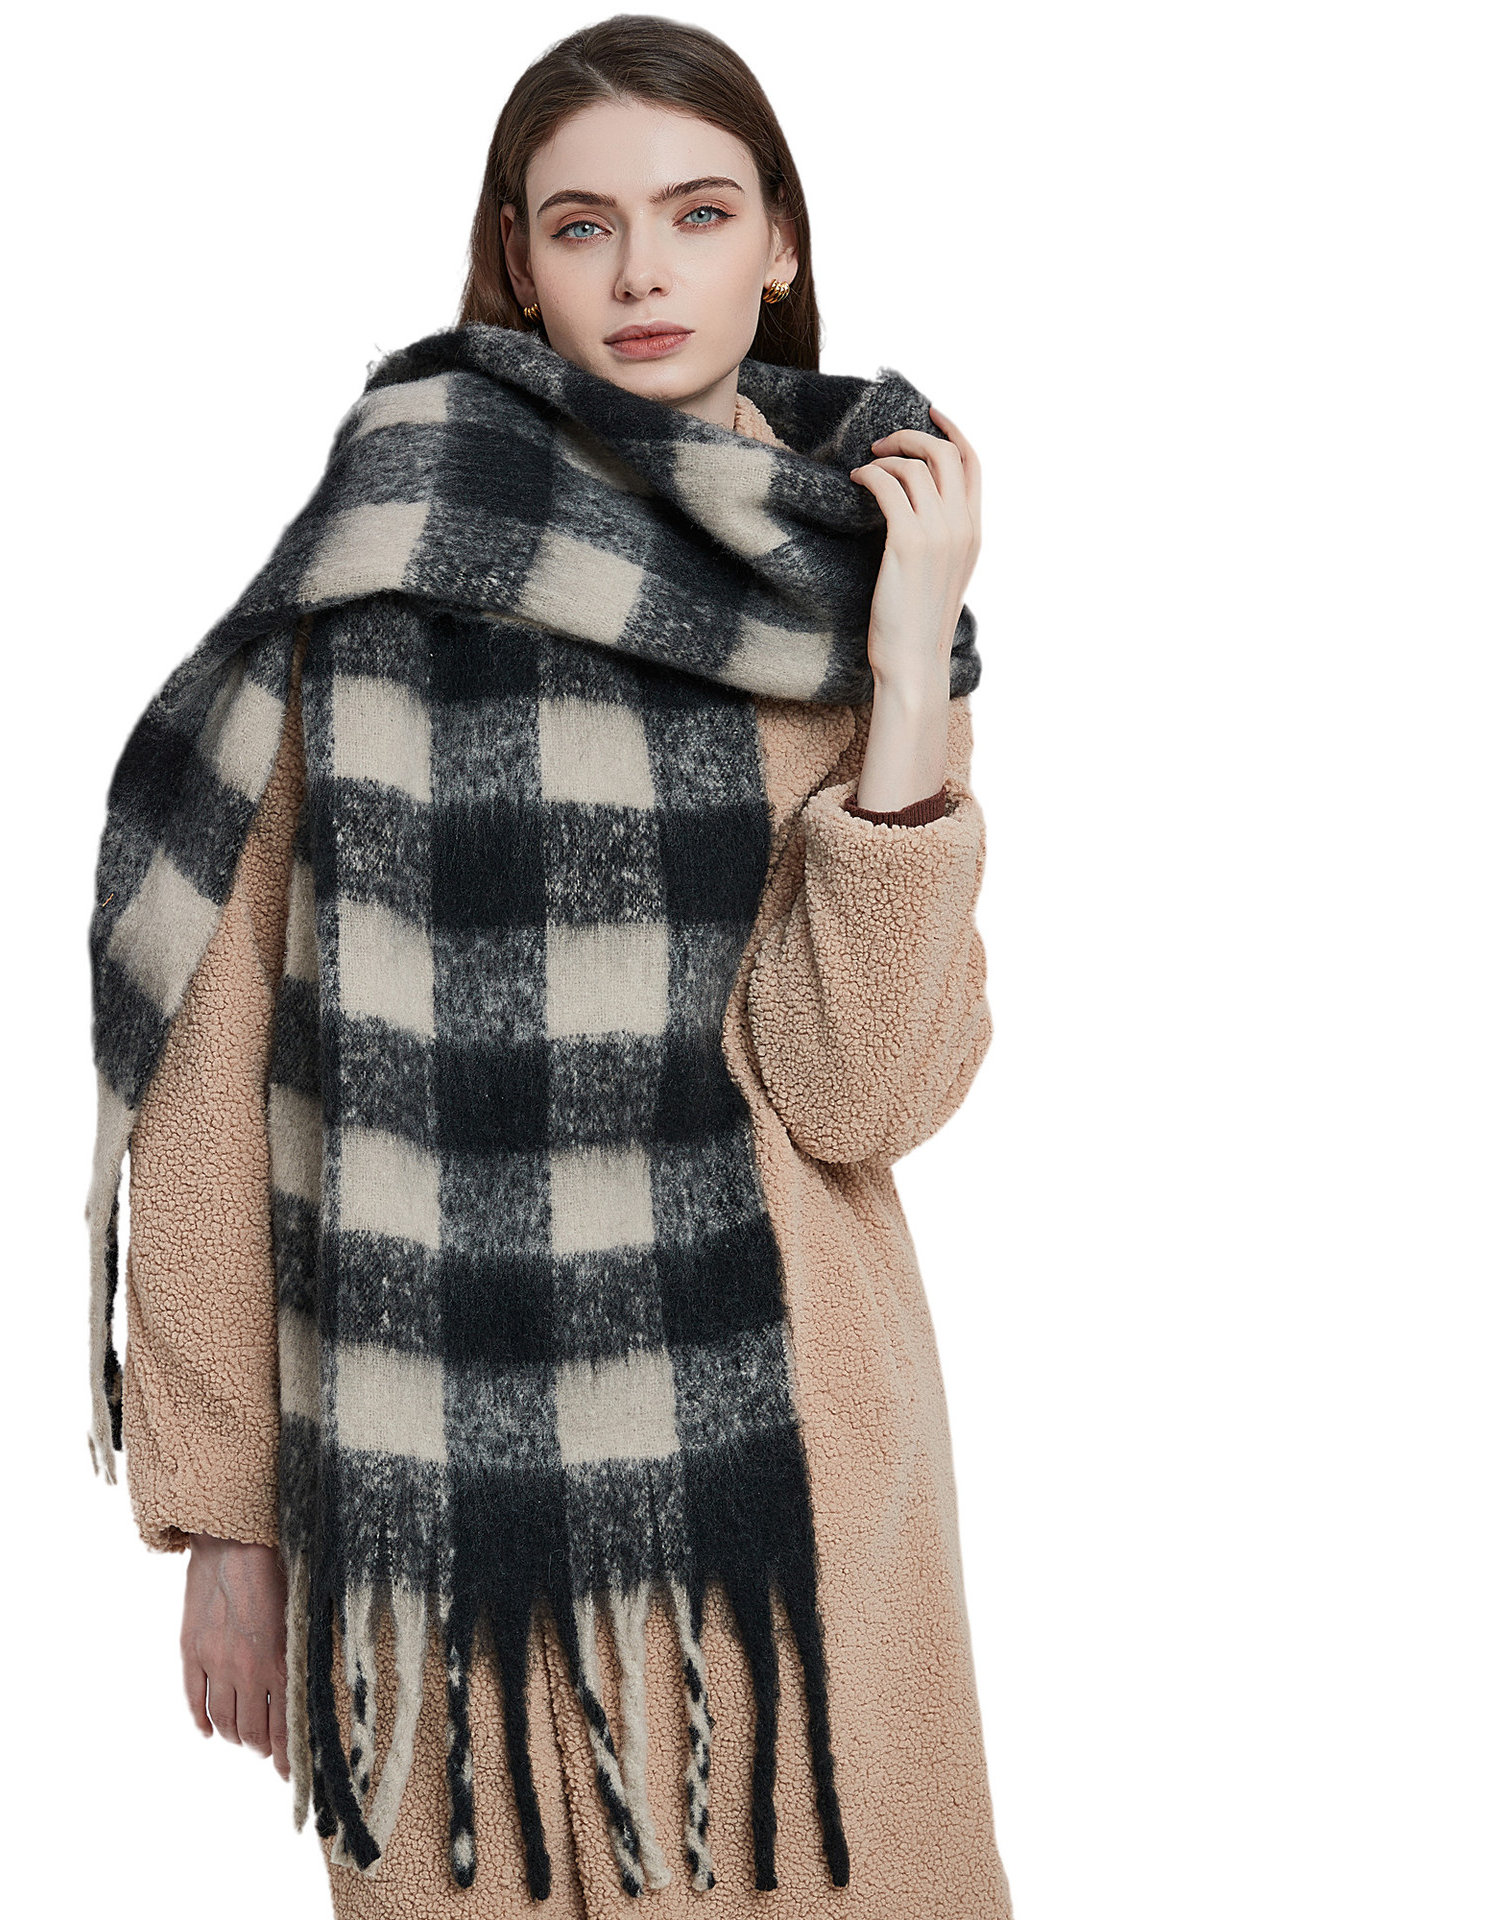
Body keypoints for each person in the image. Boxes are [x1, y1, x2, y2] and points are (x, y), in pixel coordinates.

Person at [86, 15, 1009, 1915]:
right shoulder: (394, 541)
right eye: (586, 225)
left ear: (781, 241)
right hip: (432, 1539)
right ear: (518, 257)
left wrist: (912, 673)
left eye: (699, 213)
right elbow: (217, 1046)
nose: (644, 270)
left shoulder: (853, 584)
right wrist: (224, 1512)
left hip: (792, 1504)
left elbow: (859, 1093)